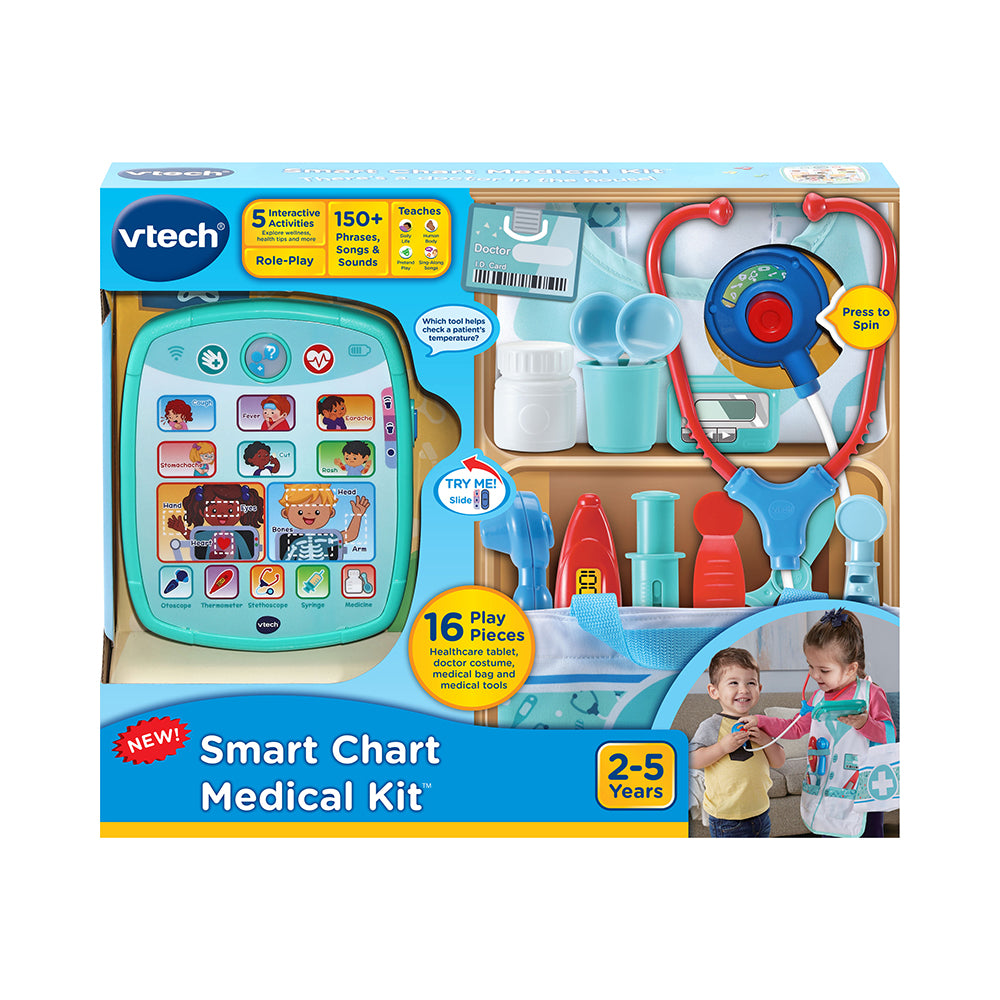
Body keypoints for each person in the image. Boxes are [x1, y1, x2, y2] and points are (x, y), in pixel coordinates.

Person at [738, 607, 895, 838]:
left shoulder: (871, 694)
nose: (815, 675)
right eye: (810, 666)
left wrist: (864, 724)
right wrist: (759, 721)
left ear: (851, 668)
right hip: (826, 793)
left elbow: (888, 735)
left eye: (824, 670)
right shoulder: (818, 698)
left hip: (862, 796)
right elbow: (795, 728)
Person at [689, 647, 785, 838]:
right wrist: (722, 747)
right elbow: (692, 760)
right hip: (727, 819)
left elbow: (779, 761)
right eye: (734, 682)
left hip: (760, 813)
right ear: (714, 691)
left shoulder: (761, 724)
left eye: (751, 683)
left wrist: (764, 739)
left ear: (759, 689)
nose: (744, 689)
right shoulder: (711, 725)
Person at [277, 485, 370, 560]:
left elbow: (349, 535)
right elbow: (286, 561)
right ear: (285, 513)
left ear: (331, 513)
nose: (309, 514)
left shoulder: (326, 539)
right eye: (300, 512)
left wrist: (357, 516)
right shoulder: (297, 543)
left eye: (317, 512)